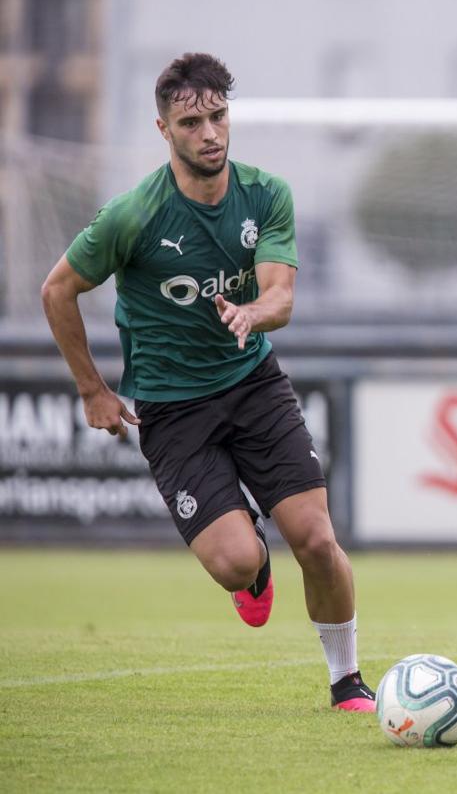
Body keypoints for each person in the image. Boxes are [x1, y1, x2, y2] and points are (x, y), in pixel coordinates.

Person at [40, 53, 375, 711]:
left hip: (254, 384)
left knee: (316, 538)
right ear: (164, 129)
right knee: (235, 562)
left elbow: (280, 295)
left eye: (219, 116)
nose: (211, 133)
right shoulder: (133, 216)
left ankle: (347, 681)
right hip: (171, 407)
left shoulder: (265, 194)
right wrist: (92, 390)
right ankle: (252, 568)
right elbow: (57, 290)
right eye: (191, 122)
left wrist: (252, 312)